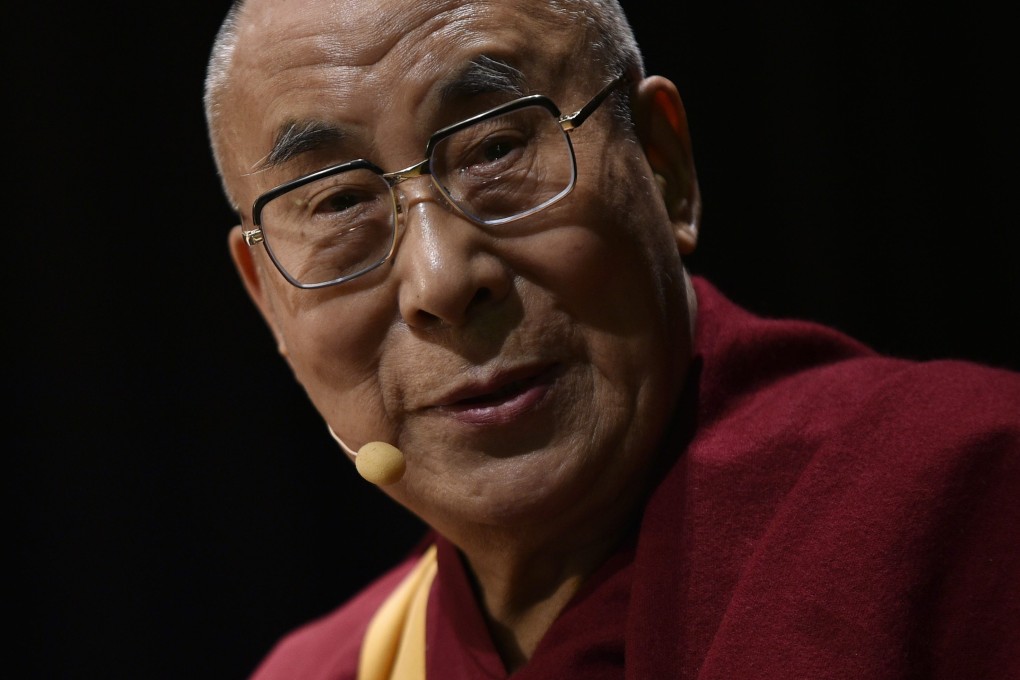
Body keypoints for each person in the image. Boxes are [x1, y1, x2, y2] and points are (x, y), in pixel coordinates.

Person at [203, 0, 1020, 677]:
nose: (443, 281)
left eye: (495, 148)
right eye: (338, 203)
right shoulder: (326, 669)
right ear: (267, 297)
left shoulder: (967, 491)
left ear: (664, 167)